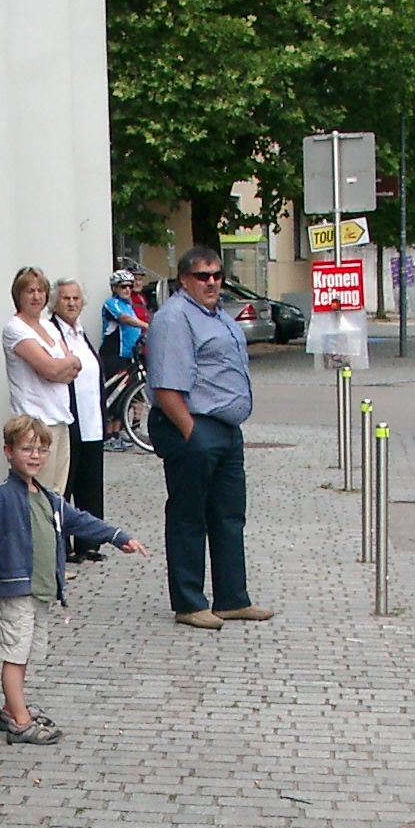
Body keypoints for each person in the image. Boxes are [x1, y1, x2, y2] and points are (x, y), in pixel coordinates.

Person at [0, 415, 144, 745]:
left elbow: (81, 521)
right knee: (14, 655)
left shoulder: (50, 498)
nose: (35, 456)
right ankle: (21, 721)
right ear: (8, 451)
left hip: (42, 590)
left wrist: (117, 536)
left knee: (25, 653)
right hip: (17, 590)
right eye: (26, 449)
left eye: (41, 449)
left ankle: (12, 708)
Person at [145, 245, 274, 630]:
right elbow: (165, 386)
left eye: (218, 275)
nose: (212, 282)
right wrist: (191, 432)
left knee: (229, 516)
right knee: (189, 517)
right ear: (184, 280)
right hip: (192, 426)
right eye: (203, 276)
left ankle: (232, 599)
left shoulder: (218, 316)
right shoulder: (174, 317)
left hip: (225, 429)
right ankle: (189, 603)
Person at [2, 267, 77, 496]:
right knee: (36, 493)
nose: (36, 296)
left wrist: (60, 367)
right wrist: (60, 367)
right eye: (30, 291)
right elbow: (49, 368)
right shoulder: (15, 328)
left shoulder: (48, 326)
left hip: (60, 417)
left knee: (57, 493)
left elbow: (74, 366)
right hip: (34, 422)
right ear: (18, 295)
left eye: (40, 291)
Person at [48, 277, 105, 561]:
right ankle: (63, 544)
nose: (71, 303)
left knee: (90, 484)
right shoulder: (52, 332)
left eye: (76, 298)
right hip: (69, 419)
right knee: (65, 484)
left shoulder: (81, 333)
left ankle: (89, 541)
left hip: (92, 419)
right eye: (66, 298)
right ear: (55, 303)